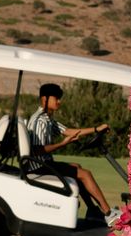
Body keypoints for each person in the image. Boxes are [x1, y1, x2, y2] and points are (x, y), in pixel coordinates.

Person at [25, 83, 113, 221]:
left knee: (77, 167)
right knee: (85, 174)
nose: (59, 101)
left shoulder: (47, 118)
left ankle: (92, 210)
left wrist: (96, 129)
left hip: (44, 164)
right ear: (44, 99)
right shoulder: (40, 121)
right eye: (56, 98)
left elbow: (68, 131)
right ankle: (108, 213)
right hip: (39, 167)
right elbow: (37, 150)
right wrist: (62, 144)